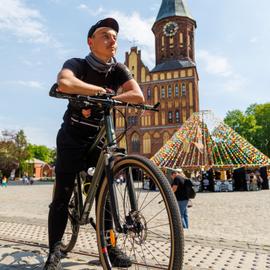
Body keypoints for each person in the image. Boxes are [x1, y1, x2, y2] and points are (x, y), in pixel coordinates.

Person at [43, 18, 144, 270]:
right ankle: (55, 250)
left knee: (105, 197)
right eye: (106, 36)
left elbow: (138, 95)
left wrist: (112, 98)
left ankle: (108, 247)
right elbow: (65, 82)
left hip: (99, 138)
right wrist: (99, 92)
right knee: (62, 196)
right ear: (91, 42)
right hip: (72, 138)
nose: (113, 40)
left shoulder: (119, 69)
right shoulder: (76, 63)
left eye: (115, 37)